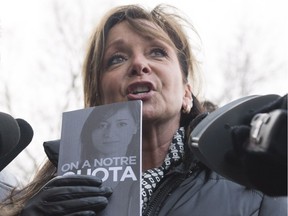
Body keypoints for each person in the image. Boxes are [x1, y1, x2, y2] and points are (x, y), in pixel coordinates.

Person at [0, 4, 286, 216]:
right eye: (117, 58)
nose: (139, 64)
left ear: (186, 93)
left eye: (157, 52)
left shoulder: (254, 185)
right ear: (98, 98)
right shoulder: (44, 197)